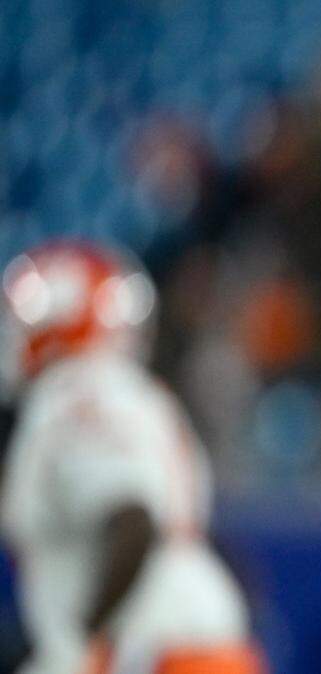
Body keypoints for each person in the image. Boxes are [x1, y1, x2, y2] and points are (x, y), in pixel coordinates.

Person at [0, 241, 264, 674]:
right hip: (192, 644)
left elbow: (132, 517)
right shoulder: (138, 395)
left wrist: (85, 642)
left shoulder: (75, 396)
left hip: (152, 653)